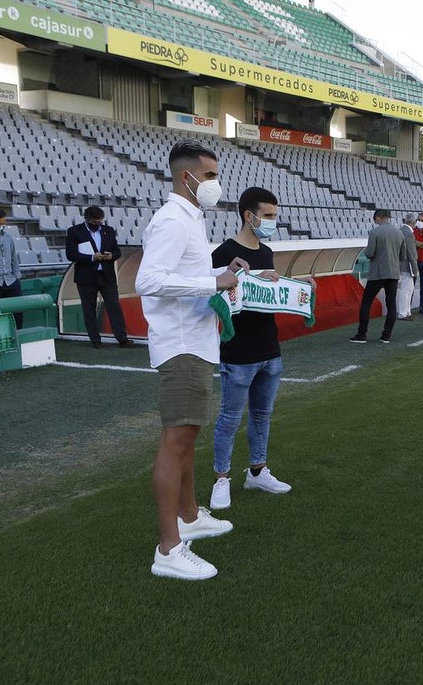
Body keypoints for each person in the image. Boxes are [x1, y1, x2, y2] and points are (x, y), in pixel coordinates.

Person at [135, 139, 246, 581]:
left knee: (187, 436)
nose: (216, 184)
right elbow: (149, 280)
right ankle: (169, 547)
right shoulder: (172, 221)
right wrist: (210, 283)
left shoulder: (190, 219)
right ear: (188, 177)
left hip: (196, 343)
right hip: (180, 345)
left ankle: (188, 516)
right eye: (212, 175)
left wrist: (224, 277)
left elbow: (189, 276)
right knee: (176, 441)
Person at [208, 186, 293, 511]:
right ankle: (221, 478)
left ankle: (257, 470)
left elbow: (271, 294)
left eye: (274, 215)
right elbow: (214, 300)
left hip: (269, 349)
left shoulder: (267, 252)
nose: (273, 221)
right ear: (249, 215)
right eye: (268, 215)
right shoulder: (223, 253)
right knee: (229, 418)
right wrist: (238, 276)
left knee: (262, 414)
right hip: (238, 350)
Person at [65, 206, 132, 348]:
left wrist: (111, 256)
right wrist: (91, 257)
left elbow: (117, 251)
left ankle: (122, 337)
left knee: (114, 306)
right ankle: (95, 339)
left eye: (100, 222)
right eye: (94, 222)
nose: (97, 225)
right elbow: (71, 254)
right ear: (87, 219)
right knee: (89, 309)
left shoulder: (108, 231)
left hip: (106, 275)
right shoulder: (75, 232)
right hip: (86, 277)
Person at [351, 209, 410, 342]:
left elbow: (369, 253)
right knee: (391, 304)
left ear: (378, 218)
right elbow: (403, 256)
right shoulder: (399, 233)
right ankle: (386, 335)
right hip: (393, 272)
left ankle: (362, 334)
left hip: (377, 272)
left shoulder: (374, 232)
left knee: (366, 302)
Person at [396, 213, 418, 321]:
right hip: (407, 264)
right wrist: (415, 267)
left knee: (409, 288)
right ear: (414, 222)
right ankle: (403, 313)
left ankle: (406, 311)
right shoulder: (408, 233)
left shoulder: (400, 230)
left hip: (401, 263)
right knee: (406, 289)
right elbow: (411, 252)